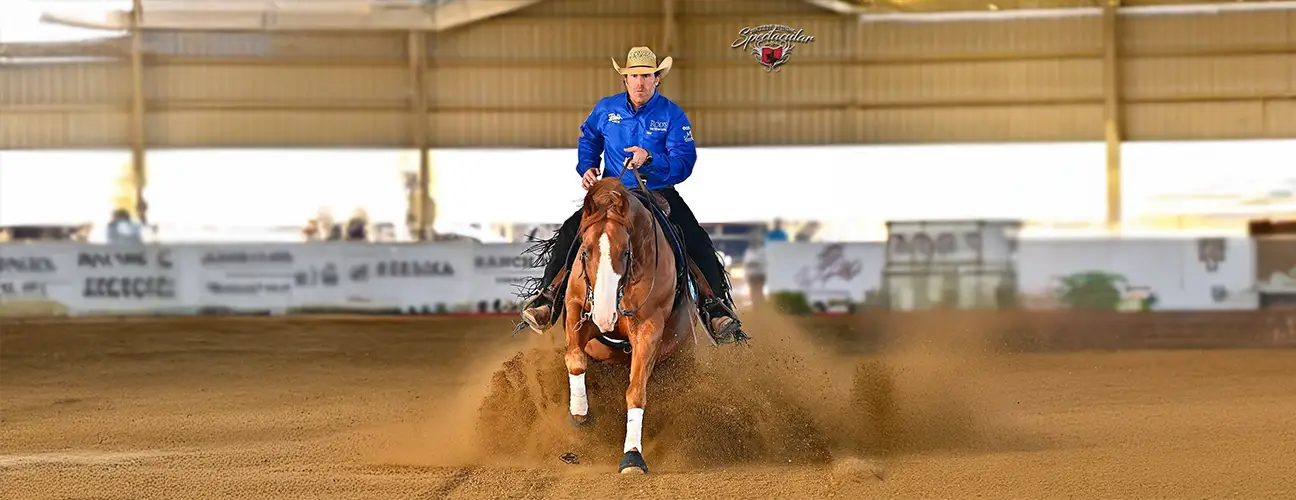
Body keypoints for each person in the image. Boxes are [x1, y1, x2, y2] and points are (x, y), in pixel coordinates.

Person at [518, 46, 746, 344]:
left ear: (657, 79)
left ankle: (714, 308)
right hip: (612, 193)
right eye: (634, 76)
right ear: (625, 79)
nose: (640, 82)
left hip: (657, 193)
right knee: (571, 232)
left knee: (697, 240)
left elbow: (684, 162)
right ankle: (548, 299)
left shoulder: (672, 115)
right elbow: (589, 138)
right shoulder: (606, 109)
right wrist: (587, 167)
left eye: (646, 75)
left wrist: (649, 159)